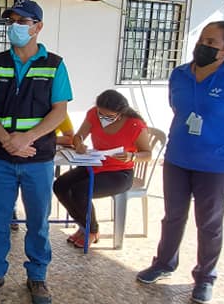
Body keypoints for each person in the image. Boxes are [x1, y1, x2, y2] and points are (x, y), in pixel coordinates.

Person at [136, 21, 224, 304]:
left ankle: (205, 278)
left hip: (216, 165)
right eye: (201, 40)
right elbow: (178, 109)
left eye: (211, 43)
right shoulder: (180, 75)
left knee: (209, 222)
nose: (202, 46)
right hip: (178, 159)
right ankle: (163, 263)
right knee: (173, 216)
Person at [0, 0, 72, 304]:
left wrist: (26, 138)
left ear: (37, 27)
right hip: (0, 157)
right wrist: (7, 140)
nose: (14, 26)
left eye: (22, 21)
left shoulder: (54, 65)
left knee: (38, 221)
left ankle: (37, 276)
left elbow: (59, 112)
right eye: (11, 21)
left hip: (37, 158)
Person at [54, 90, 153, 249]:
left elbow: (147, 154)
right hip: (94, 164)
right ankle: (83, 225)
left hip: (120, 173)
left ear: (121, 113)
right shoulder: (93, 114)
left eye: (109, 116)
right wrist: (79, 144)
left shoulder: (135, 125)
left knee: (81, 191)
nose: (103, 118)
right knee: (60, 185)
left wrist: (132, 156)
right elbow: (78, 136)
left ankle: (92, 230)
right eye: (101, 114)